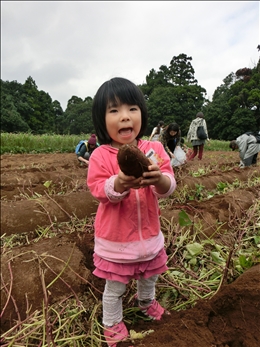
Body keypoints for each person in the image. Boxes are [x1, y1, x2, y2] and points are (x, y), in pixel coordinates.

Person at [87, 77, 176, 347]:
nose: (124, 116)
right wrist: (119, 183)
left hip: (148, 236)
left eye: (132, 108)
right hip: (116, 240)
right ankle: (112, 322)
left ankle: (146, 301)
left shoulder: (155, 150)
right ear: (102, 120)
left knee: (151, 275)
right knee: (115, 287)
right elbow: (98, 189)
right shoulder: (101, 155)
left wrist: (158, 178)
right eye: (114, 110)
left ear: (141, 114)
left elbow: (169, 184)